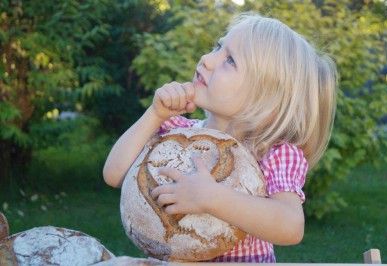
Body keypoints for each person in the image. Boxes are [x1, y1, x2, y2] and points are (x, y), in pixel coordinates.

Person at [103, 13, 337, 263]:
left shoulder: (271, 153)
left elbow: (290, 227)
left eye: (230, 60)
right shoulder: (178, 132)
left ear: (264, 97)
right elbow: (114, 175)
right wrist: (155, 114)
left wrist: (212, 198)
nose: (207, 59)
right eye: (218, 46)